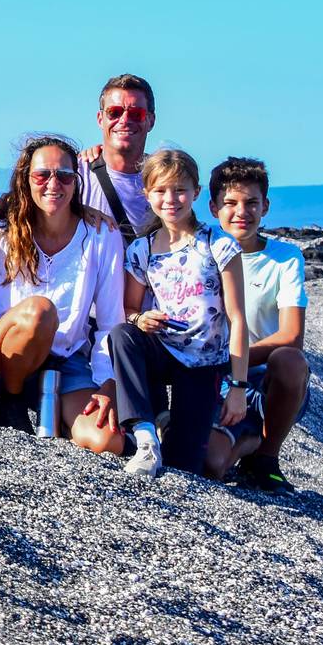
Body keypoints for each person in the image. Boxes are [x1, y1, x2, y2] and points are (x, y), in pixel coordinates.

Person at [0, 135, 127, 445]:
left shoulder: (101, 235)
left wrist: (108, 384)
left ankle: (56, 413)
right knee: (39, 311)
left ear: (76, 181)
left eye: (64, 175)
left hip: (65, 360)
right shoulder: (1, 233)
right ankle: (11, 403)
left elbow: (110, 321)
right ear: (25, 180)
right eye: (42, 175)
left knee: (105, 442)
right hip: (3, 354)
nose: (53, 184)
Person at [109, 149, 250, 479]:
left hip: (204, 362)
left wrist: (239, 387)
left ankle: (170, 425)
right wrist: (139, 319)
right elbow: (129, 310)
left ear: (196, 193)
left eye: (179, 190)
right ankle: (145, 435)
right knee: (123, 335)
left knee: (182, 466)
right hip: (163, 351)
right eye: (160, 190)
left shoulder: (219, 244)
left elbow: (238, 317)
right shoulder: (141, 250)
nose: (170, 199)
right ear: (147, 194)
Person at [203, 158, 311, 492]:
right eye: (231, 203)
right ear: (213, 207)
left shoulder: (286, 257)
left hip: (263, 373)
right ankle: (247, 439)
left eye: (251, 203)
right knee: (210, 464)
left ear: (265, 206)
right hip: (214, 375)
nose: (242, 212)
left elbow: (291, 336)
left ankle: (267, 455)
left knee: (292, 361)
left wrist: (238, 360)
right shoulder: (201, 250)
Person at [79, 74, 158, 243]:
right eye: (114, 112)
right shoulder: (73, 175)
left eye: (136, 113)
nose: (124, 120)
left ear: (151, 121)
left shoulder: (164, 179)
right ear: (101, 119)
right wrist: (77, 210)